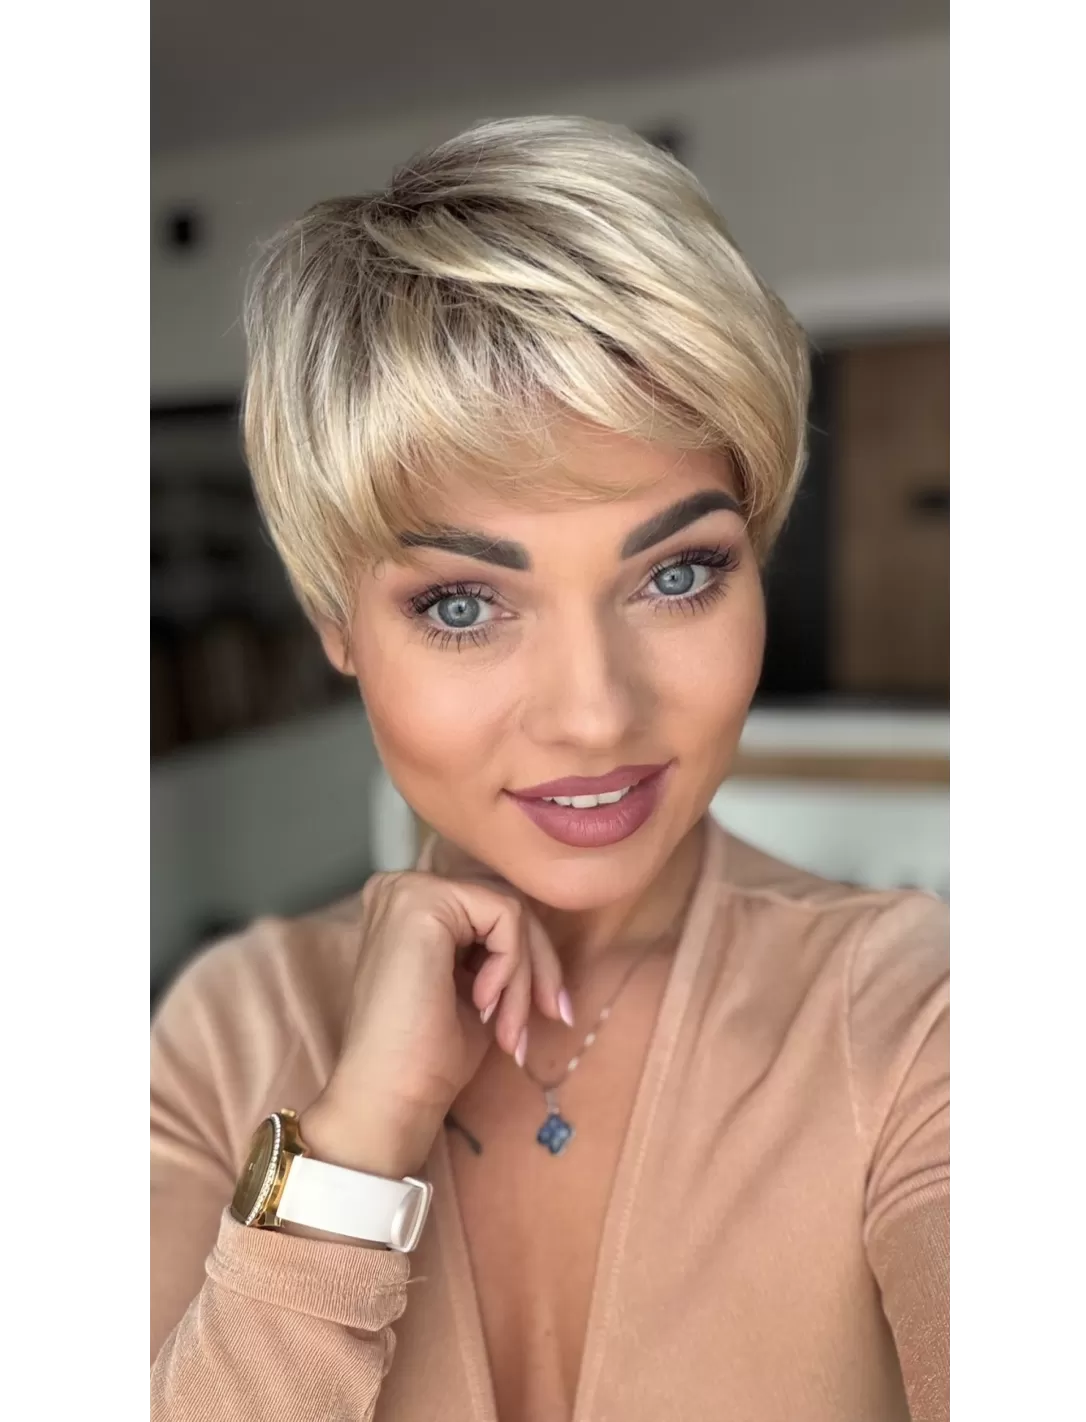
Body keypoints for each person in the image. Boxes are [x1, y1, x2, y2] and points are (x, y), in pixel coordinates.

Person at [150, 116, 948, 1422]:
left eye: (677, 573)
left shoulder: (915, 1010)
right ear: (335, 620)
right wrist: (354, 1143)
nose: (593, 714)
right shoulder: (225, 1031)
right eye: (464, 603)